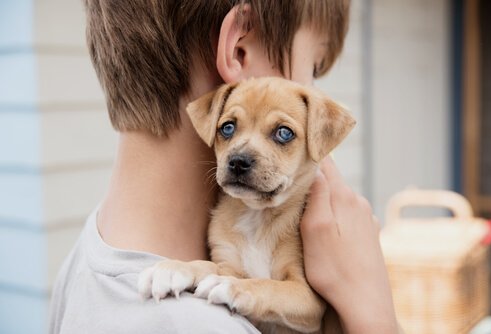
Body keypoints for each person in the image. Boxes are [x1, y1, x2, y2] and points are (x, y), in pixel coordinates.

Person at [49, 1, 400, 333]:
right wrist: (374, 313)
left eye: (281, 132)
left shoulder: (87, 257)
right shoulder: (196, 324)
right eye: (314, 67)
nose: (311, 88)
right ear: (239, 49)